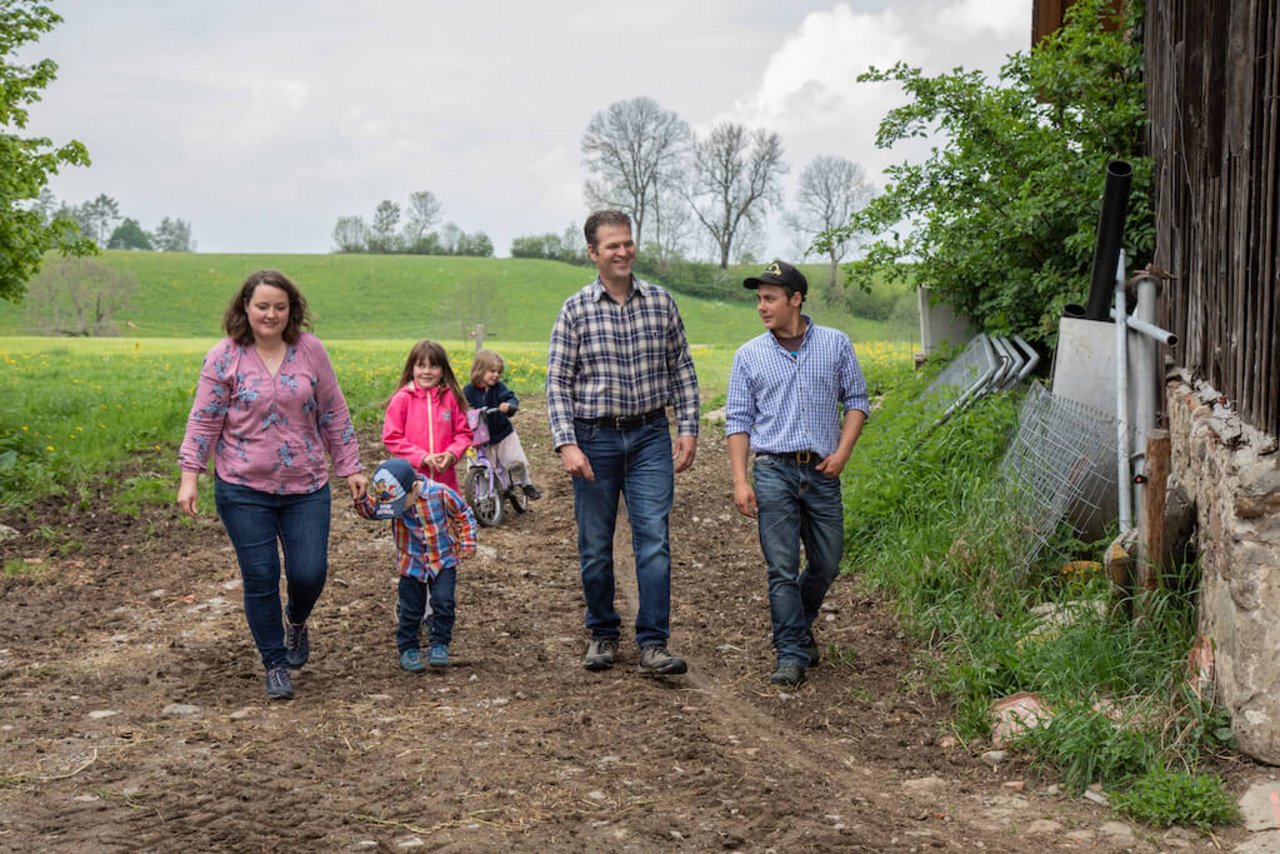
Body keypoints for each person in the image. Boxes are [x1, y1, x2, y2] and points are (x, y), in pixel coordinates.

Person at [177, 269, 368, 701]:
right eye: (262, 306)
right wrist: (191, 475)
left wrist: (351, 467)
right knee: (260, 575)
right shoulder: (223, 357)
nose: (271, 314)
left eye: (279, 307)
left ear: (291, 310)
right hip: (243, 488)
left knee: (309, 572)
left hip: (306, 485)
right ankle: (275, 662)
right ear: (246, 307)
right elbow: (204, 419)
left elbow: (333, 412)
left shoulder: (311, 352)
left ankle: (296, 620)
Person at [546, 209, 700, 675]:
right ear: (593, 253)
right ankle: (603, 632)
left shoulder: (661, 302)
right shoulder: (576, 310)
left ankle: (654, 642)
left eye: (627, 242)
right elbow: (557, 383)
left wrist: (688, 427)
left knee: (653, 540)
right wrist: (566, 444)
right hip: (594, 439)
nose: (623, 251)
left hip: (651, 435)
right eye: (612, 245)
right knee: (595, 545)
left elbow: (683, 370)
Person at [724, 260, 869, 688]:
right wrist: (740, 480)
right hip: (773, 470)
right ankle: (790, 652)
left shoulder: (835, 344)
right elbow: (737, 421)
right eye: (758, 299)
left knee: (826, 563)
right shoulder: (749, 355)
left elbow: (857, 400)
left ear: (796, 299)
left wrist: (843, 453)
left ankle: (798, 626)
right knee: (782, 567)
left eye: (770, 298)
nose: (762, 307)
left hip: (823, 470)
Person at [354, 458, 477, 672]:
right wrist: (362, 498)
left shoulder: (440, 493)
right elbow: (373, 511)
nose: (395, 510)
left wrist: (467, 542)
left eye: (399, 504)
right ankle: (408, 648)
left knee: (444, 603)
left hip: (443, 560)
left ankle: (439, 643)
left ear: (413, 489)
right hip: (411, 563)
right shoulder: (393, 503)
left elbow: (463, 514)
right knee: (410, 609)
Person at [383, 340, 473, 493]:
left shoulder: (451, 398)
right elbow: (392, 437)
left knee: (445, 516)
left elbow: (463, 433)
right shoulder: (402, 399)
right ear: (412, 369)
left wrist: (451, 454)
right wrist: (422, 457)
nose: (427, 371)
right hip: (411, 482)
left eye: (433, 366)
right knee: (413, 517)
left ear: (443, 370)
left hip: (446, 483)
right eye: (421, 365)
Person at [464, 349, 541, 500]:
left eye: (499, 372)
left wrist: (508, 405)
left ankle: (526, 484)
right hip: (479, 437)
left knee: (515, 460)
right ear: (479, 369)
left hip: (502, 433)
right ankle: (484, 495)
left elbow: (511, 399)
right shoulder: (468, 390)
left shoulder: (499, 388)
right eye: (492, 371)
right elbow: (460, 405)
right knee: (481, 466)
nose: (496, 375)